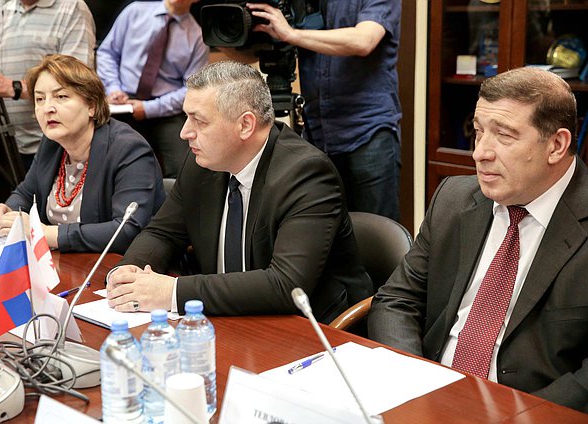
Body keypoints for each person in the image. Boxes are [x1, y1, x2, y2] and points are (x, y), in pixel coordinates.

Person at [368, 67, 588, 412]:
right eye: (478, 132)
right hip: (427, 396)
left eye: (504, 136)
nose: (479, 153)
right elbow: (397, 300)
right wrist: (415, 383)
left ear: (557, 145)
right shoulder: (454, 197)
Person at [106, 61, 372, 323]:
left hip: (309, 331)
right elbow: (162, 233)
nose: (185, 133)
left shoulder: (307, 175)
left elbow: (286, 285)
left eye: (199, 121)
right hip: (226, 319)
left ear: (245, 125)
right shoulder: (203, 162)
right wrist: (130, 273)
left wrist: (171, 293)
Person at [0, 55, 165, 254]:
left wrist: (44, 233)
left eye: (61, 97)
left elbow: (127, 231)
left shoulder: (128, 148)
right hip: (63, 266)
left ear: (92, 105)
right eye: (40, 99)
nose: (48, 109)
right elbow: (26, 193)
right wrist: (7, 212)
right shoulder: (52, 144)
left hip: (120, 270)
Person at [246, 1, 402, 221]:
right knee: (324, 232)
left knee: (377, 232)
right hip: (317, 134)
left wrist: (291, 34)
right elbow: (258, 50)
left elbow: (364, 41)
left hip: (367, 131)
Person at [0, 0, 96, 171]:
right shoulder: (4, 12)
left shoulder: (72, 7)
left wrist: (13, 87)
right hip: (10, 145)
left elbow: (77, 81)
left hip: (60, 147)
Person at [96, 0, 209, 178]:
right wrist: (113, 88)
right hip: (123, 100)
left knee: (184, 166)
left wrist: (149, 109)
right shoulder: (134, 12)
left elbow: (191, 88)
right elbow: (107, 53)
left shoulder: (198, 37)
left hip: (165, 109)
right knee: (102, 153)